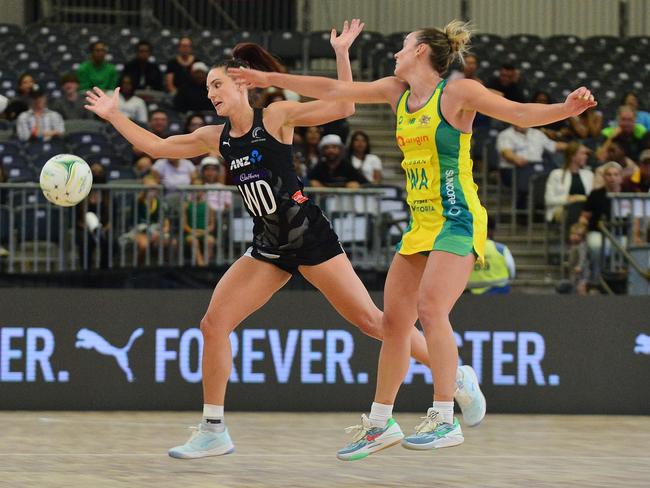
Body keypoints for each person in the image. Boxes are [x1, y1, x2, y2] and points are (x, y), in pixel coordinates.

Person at [85, 20, 478, 460]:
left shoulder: (274, 117)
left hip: (309, 237)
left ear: (240, 84)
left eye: (218, 84)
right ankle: (213, 429)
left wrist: (343, 53)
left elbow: (343, 107)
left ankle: (454, 375)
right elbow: (157, 148)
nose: (211, 94)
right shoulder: (213, 138)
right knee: (213, 324)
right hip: (268, 245)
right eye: (208, 89)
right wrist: (115, 115)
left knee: (378, 323)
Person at [230, 19, 596, 459]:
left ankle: (445, 417)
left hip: (458, 218)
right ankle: (381, 423)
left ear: (421, 52)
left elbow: (518, 113)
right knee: (394, 325)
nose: (395, 53)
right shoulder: (394, 92)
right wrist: (270, 78)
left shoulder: (458, 94)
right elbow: (334, 90)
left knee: (431, 308)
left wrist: (566, 109)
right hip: (422, 223)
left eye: (403, 46)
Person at [578, 161, 623, 281]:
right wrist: (580, 228)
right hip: (598, 233)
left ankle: (625, 280)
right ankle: (596, 279)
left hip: (622, 235)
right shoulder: (595, 194)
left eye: (615, 174)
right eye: (608, 174)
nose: (612, 178)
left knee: (632, 248)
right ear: (604, 177)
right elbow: (584, 216)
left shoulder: (628, 195)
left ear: (621, 177)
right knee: (596, 246)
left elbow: (636, 220)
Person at [544, 142, 593, 222]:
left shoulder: (589, 174)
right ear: (573, 156)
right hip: (562, 210)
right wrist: (570, 199)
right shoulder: (556, 174)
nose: (586, 157)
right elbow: (548, 199)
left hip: (584, 212)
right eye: (582, 154)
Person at [466, 217, 515, 294]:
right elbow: (512, 272)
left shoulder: (465, 249)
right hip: (498, 292)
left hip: (469, 293)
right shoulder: (501, 249)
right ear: (492, 231)